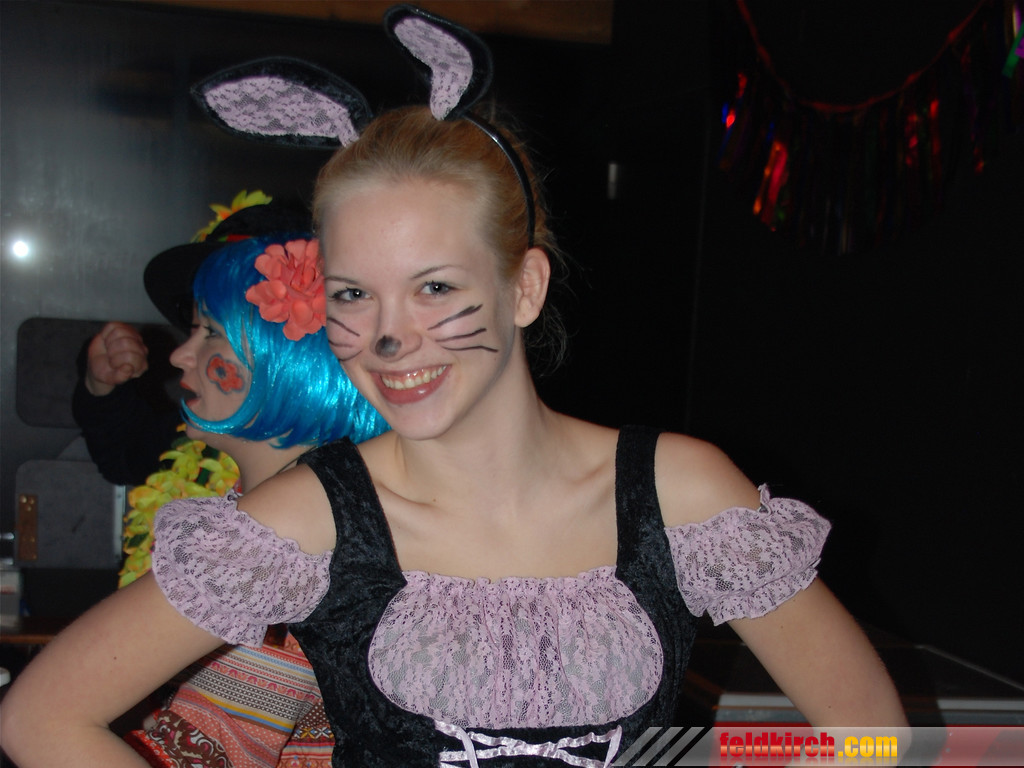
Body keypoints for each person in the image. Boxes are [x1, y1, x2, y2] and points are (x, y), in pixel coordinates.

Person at [2, 9, 906, 767]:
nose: (389, 336)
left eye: (434, 286)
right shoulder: (310, 516)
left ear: (524, 288)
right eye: (352, 294)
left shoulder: (679, 491)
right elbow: (42, 719)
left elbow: (870, 735)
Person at [19, 196, 388, 768]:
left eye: (208, 331)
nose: (180, 356)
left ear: (287, 359)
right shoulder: (315, 517)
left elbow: (199, 747)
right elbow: (125, 453)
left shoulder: (285, 558)